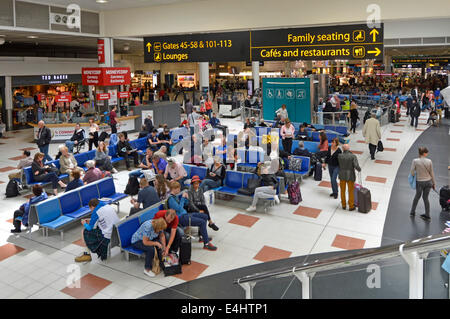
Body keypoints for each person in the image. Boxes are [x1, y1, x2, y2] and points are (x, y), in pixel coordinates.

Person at [168, 181, 217, 251]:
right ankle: (206, 244)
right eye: (178, 189)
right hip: (181, 218)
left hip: (185, 214)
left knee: (205, 216)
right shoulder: (171, 199)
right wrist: (182, 198)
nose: (179, 190)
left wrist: (187, 198)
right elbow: (179, 208)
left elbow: (185, 204)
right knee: (202, 222)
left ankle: (203, 236)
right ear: (174, 189)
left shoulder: (175, 197)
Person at [410, 147, 436, 221]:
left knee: (417, 196)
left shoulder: (415, 161)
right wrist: (434, 183)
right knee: (425, 198)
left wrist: (417, 173)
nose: (427, 154)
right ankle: (427, 215)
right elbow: (432, 173)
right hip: (428, 182)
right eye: (427, 152)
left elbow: (412, 172)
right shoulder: (429, 161)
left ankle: (412, 212)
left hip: (420, 182)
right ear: (424, 153)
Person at [337, 144, 361, 211]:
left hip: (341, 175)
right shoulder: (353, 156)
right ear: (349, 148)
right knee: (350, 191)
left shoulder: (339, 156)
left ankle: (343, 205)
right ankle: (351, 206)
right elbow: (356, 165)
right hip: (350, 175)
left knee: (342, 190)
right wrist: (359, 169)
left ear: (343, 149)